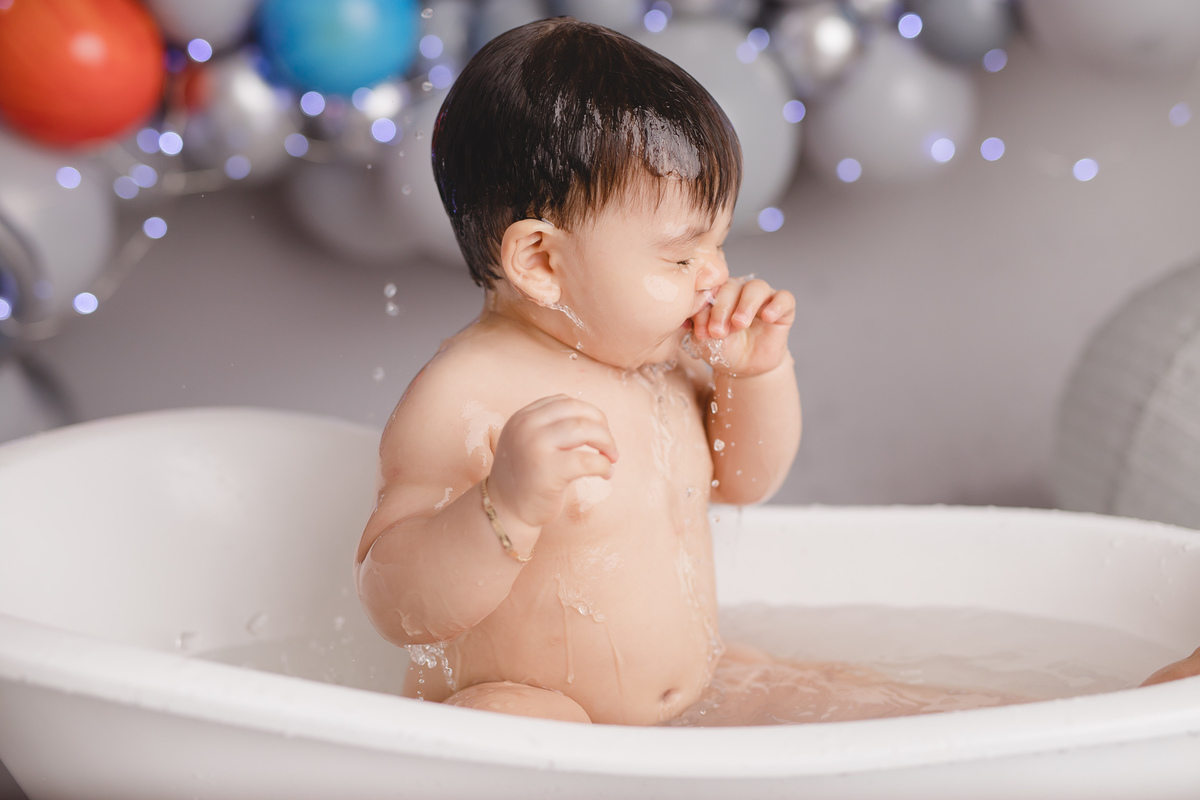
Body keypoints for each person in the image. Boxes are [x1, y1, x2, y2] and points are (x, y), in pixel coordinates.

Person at [355, 18, 1199, 726]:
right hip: (535, 710)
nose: (713, 275)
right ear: (541, 260)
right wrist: (501, 506)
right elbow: (396, 603)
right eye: (681, 255)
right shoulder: (465, 398)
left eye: (716, 244)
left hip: (699, 686)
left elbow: (741, 480)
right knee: (511, 726)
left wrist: (752, 377)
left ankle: (1096, 725)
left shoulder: (658, 359)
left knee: (853, 699)